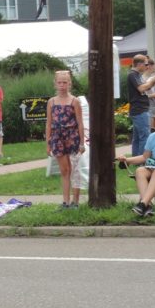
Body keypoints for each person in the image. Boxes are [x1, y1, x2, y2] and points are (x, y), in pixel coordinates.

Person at [45, 70, 86, 209]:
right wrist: (48, 143)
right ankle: (65, 201)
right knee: (64, 170)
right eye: (59, 82)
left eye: (65, 82)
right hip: (57, 137)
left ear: (70, 84)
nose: (62, 85)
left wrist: (81, 142)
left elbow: (80, 123)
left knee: (74, 169)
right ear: (55, 84)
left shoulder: (74, 101)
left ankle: (76, 201)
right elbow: (49, 123)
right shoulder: (51, 102)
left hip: (72, 136)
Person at [126, 54, 155, 156]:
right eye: (146, 64)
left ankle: (135, 158)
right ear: (139, 64)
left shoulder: (138, 75)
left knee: (137, 137)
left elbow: (145, 89)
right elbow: (141, 88)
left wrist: (152, 83)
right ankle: (142, 160)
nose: (147, 66)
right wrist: (152, 80)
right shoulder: (132, 75)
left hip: (140, 109)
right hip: (139, 110)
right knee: (144, 136)